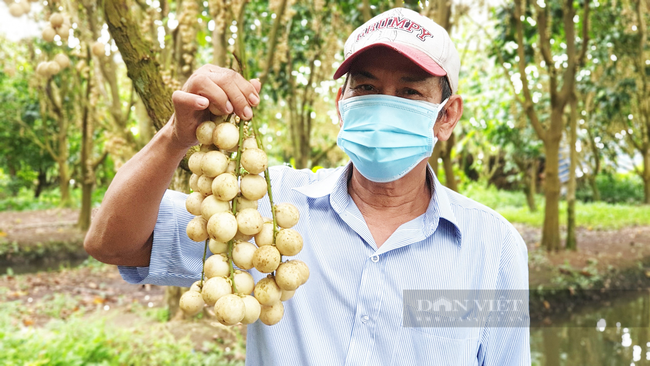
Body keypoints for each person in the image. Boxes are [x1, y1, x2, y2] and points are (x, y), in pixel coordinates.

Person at [85, 7, 530, 365]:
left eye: (410, 93)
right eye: (367, 87)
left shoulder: (493, 246)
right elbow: (113, 243)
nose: (383, 105)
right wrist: (175, 137)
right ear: (342, 105)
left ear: (447, 115)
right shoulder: (260, 209)